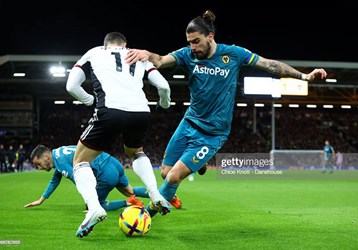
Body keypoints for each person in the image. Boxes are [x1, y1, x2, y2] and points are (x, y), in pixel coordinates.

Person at [125, 10, 328, 217]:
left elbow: (270, 65)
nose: (192, 47)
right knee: (165, 172)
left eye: (196, 41)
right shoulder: (187, 54)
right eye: (189, 42)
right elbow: (159, 60)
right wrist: (147, 54)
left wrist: (304, 76)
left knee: (174, 177)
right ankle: (198, 165)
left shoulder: (233, 54)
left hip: (213, 133)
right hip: (188, 123)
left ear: (210, 37)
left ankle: (145, 217)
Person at [66, 31, 171, 237]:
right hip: (141, 111)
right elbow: (164, 86)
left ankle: (94, 207)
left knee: (79, 161)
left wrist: (90, 101)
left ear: (106, 44)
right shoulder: (138, 55)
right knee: (136, 153)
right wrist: (164, 104)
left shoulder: (95, 52)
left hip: (110, 110)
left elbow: (71, 86)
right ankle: (155, 193)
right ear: (124, 44)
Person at [24, 145, 145, 212]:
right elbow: (55, 180)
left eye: (38, 164)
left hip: (105, 172)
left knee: (96, 205)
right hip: (113, 162)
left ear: (46, 157)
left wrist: (89, 200)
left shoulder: (59, 161)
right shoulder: (59, 153)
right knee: (130, 191)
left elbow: (79, 179)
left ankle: (129, 203)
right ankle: (157, 194)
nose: (39, 168)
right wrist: (41, 200)